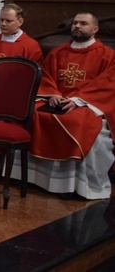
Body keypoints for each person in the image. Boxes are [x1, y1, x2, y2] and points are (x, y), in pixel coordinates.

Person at [26, 12, 115, 199]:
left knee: (79, 123)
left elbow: (106, 84)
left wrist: (76, 100)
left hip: (87, 104)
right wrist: (53, 94)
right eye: (75, 23)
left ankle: (76, 185)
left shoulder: (107, 55)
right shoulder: (58, 52)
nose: (77, 26)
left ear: (95, 29)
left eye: (83, 23)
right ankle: (32, 177)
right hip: (55, 100)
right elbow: (46, 76)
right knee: (31, 114)